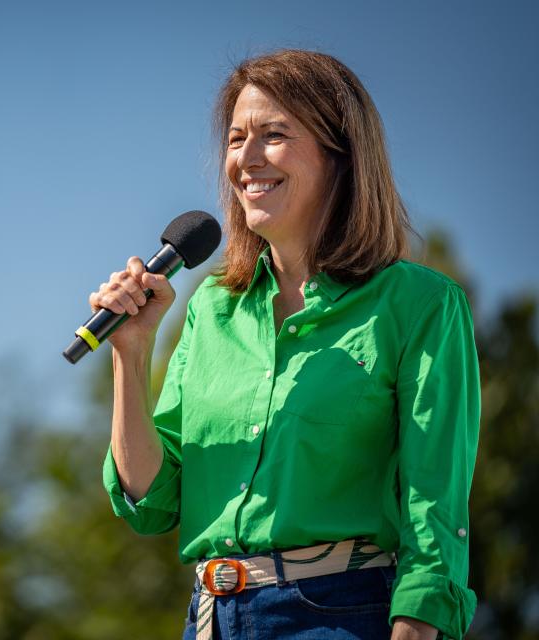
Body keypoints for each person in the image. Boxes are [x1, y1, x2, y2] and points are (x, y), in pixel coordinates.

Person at [93, 49, 479, 640]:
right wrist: (131, 351)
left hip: (343, 615)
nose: (245, 159)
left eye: (273, 136)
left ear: (340, 155)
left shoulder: (420, 305)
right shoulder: (210, 306)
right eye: (235, 138)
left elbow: (436, 506)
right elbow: (153, 502)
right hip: (210, 618)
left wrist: (419, 624)